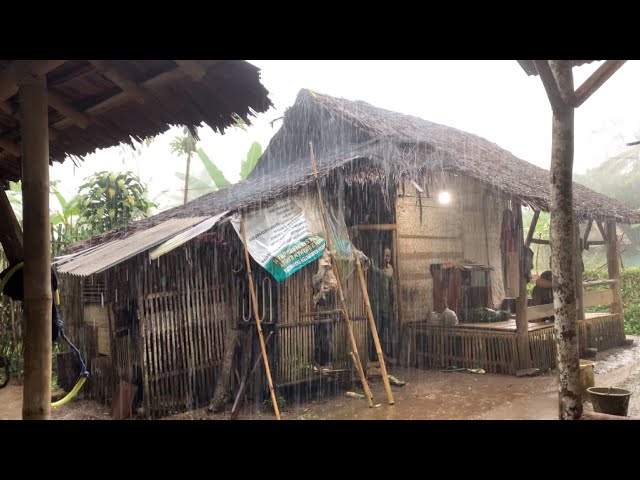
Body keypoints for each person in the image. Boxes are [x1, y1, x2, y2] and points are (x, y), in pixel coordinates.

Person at [368, 247, 398, 362]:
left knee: (386, 332)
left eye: (389, 255)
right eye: (385, 255)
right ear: (381, 255)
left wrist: (394, 302)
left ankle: (383, 355)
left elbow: (392, 287)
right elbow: (373, 271)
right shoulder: (374, 268)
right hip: (375, 306)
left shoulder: (390, 270)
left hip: (386, 306)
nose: (387, 258)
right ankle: (375, 356)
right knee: (375, 331)